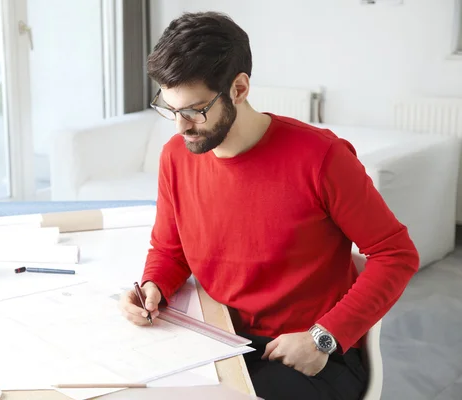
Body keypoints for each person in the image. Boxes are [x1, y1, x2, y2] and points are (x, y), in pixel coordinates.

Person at [118, 11, 419, 400]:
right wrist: (153, 285)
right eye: (170, 109)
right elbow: (170, 250)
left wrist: (324, 338)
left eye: (194, 110)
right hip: (219, 339)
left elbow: (396, 254)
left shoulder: (321, 157)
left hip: (308, 354)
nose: (181, 126)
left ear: (239, 88)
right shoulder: (175, 157)